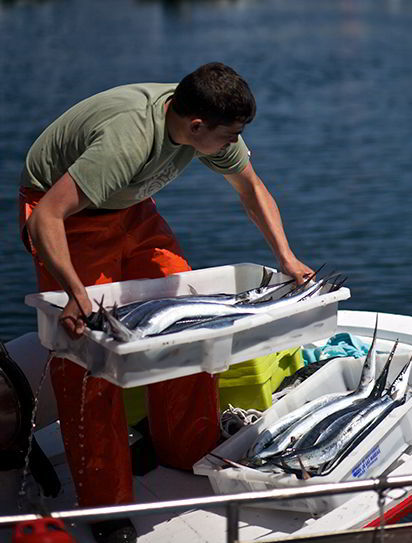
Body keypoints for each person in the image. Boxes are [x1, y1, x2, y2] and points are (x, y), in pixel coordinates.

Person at [18, 62, 313, 543]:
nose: (232, 144)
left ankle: (186, 447)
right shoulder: (127, 141)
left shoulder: (206, 121)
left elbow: (251, 187)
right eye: (228, 135)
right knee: (92, 354)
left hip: (131, 207)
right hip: (67, 217)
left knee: (192, 320)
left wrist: (287, 258)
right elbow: (45, 216)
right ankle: (105, 504)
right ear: (196, 126)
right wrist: (74, 292)